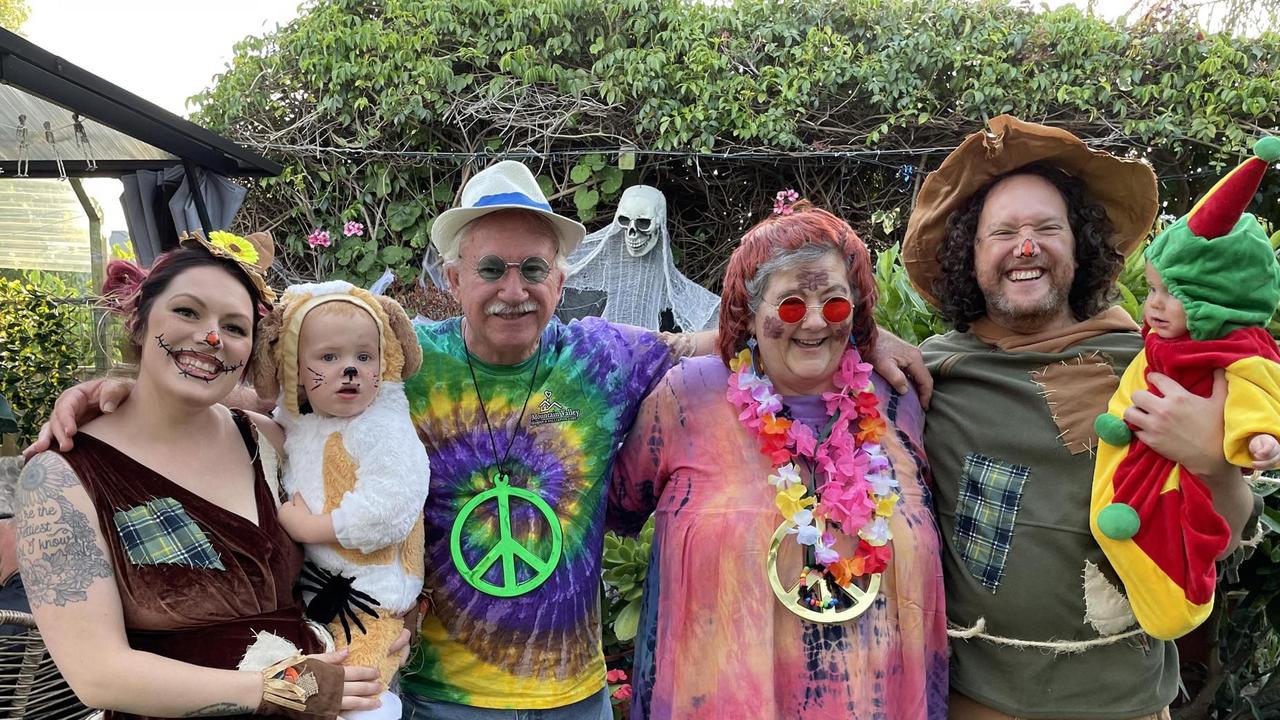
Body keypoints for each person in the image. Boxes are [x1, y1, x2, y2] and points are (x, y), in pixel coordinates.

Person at [26, 160, 930, 720]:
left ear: (561, 276)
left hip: (579, 698)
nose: (512, 289)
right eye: (489, 269)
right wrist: (121, 388)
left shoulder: (609, 358)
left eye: (534, 269)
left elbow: (729, 337)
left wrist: (861, 333)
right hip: (441, 701)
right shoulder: (398, 365)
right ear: (451, 278)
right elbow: (276, 376)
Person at [897, 115, 1262, 720]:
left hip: (1128, 703)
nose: (1027, 245)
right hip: (977, 701)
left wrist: (1210, 463)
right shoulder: (932, 374)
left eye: (1048, 227)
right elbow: (803, 370)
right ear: (970, 253)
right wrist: (869, 340)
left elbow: (1223, 533)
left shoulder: (1152, 369)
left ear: (1080, 244)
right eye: (1002, 232)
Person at [16, 231, 388, 719]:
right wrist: (278, 687)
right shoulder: (60, 480)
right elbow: (98, 674)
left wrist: (384, 625)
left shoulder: (268, 442)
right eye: (188, 312)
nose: (211, 338)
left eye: (234, 327)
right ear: (139, 321)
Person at [609, 199, 947, 719]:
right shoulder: (685, 398)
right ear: (748, 312)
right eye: (790, 305)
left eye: (835, 305)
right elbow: (614, 506)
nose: (814, 323)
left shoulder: (898, 398)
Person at [1091, 137, 1280, 641]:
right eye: (1150, 289)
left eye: (1048, 227)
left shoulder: (1230, 356)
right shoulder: (941, 363)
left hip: (1132, 697)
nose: (1153, 305)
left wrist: (1219, 457)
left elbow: (1234, 531)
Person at [251, 280, 432, 720]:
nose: (348, 370)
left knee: (357, 698)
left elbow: (389, 510)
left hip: (372, 606)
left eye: (363, 357)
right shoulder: (304, 421)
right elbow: (256, 417)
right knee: (304, 693)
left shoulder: (382, 428)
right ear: (294, 368)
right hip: (320, 595)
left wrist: (307, 528)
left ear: (384, 361)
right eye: (329, 357)